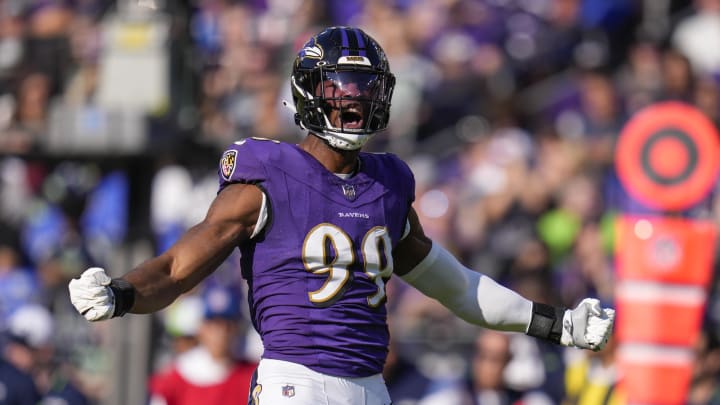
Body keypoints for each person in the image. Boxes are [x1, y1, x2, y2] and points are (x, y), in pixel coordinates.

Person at [68, 26, 615, 404]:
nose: (354, 102)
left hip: (370, 386)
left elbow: (456, 286)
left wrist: (556, 322)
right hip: (295, 383)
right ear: (310, 94)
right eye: (340, 89)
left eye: (365, 89)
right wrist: (121, 292)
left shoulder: (387, 183)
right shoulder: (267, 174)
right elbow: (177, 269)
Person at [148, 285, 257, 405]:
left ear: (237, 328)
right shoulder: (175, 379)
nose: (221, 332)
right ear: (201, 328)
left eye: (228, 324)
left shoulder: (254, 377)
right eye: (213, 323)